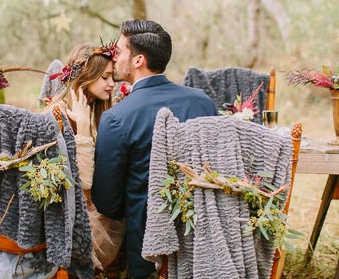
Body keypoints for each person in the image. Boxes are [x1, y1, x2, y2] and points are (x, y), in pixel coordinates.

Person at [91, 20, 218, 279]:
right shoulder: (202, 102)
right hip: (204, 242)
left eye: (120, 51)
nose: (114, 58)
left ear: (138, 60)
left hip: (148, 251)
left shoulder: (117, 118)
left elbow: (108, 203)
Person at [45, 43, 126, 276]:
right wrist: (81, 130)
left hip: (85, 203)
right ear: (85, 76)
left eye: (113, 77)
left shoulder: (93, 110)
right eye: (105, 77)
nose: (112, 84)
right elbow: (82, 183)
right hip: (65, 212)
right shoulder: (58, 114)